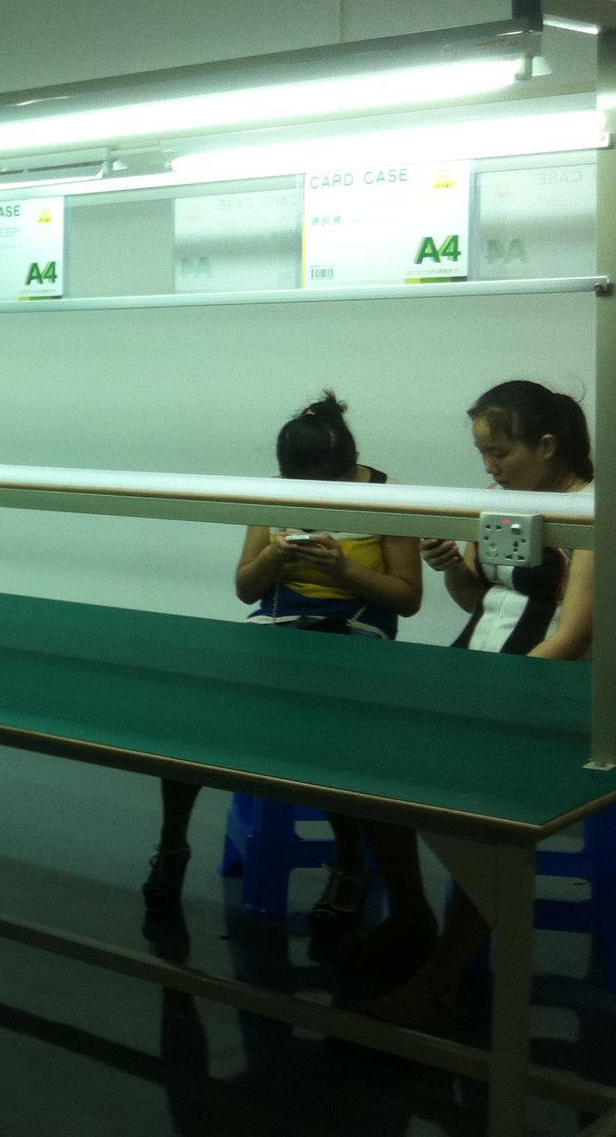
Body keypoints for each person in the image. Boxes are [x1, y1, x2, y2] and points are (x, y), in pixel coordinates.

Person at [144, 393, 424, 929]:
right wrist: (273, 554)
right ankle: (172, 845)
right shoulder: (274, 492)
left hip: (355, 632)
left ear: (349, 466)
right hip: (277, 626)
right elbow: (246, 589)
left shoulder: (391, 496)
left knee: (335, 731)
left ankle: (350, 863)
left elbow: (408, 597)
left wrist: (344, 570)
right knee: (189, 718)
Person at [364, 380, 595, 1024]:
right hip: (478, 675)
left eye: (500, 453)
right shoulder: (502, 502)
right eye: (483, 455)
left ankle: (443, 975)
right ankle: (413, 914)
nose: (490, 468)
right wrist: (450, 568)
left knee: (479, 811)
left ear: (546, 446)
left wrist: (500, 693)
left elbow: (575, 636)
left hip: (549, 693)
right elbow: (478, 599)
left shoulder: (591, 514)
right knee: (367, 758)